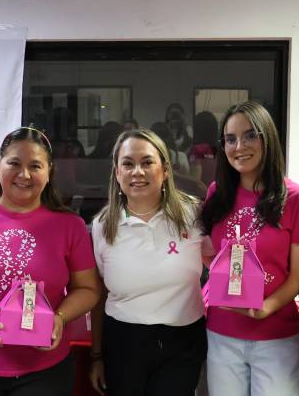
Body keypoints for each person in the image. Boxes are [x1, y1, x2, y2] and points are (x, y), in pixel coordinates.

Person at [0, 126, 100, 396]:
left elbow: (88, 289)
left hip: (45, 371)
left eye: (35, 166)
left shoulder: (70, 225)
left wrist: (59, 318)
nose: (24, 175)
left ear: (49, 174)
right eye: (14, 163)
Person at [200, 101, 299, 396]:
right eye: (230, 139)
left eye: (250, 135)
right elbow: (214, 258)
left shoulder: (297, 198)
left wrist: (266, 308)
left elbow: (296, 277)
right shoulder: (217, 193)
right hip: (222, 332)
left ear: (268, 139)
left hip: (275, 335)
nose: (239, 146)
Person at [88, 129, 209, 396]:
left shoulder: (195, 215)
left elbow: (218, 262)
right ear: (117, 173)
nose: (137, 172)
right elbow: (98, 293)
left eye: (147, 162)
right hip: (123, 342)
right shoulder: (102, 225)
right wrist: (97, 356)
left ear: (165, 169)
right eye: (128, 164)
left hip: (183, 340)